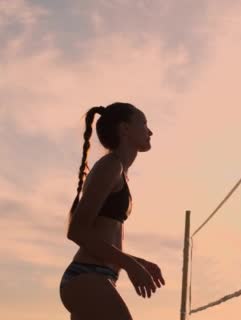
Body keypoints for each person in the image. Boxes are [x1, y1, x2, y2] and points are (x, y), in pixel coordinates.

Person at [59, 102, 164, 320]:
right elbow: (76, 231)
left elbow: (102, 238)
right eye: (144, 123)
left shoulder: (119, 170)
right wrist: (131, 265)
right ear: (125, 129)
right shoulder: (110, 166)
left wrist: (137, 263)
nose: (150, 131)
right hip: (86, 276)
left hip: (98, 277)